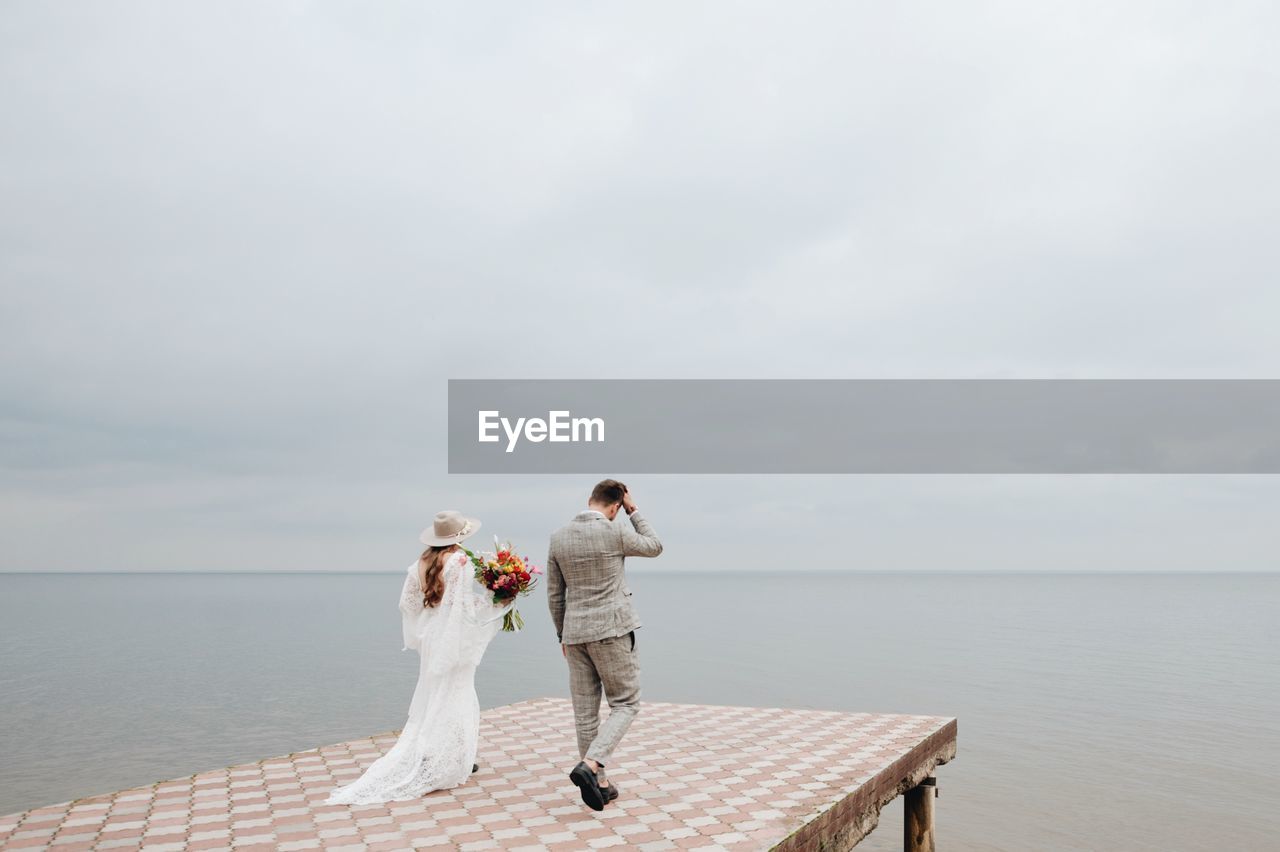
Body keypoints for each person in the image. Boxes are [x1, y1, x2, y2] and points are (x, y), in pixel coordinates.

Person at [326, 510, 512, 805]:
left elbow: (408, 604)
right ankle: (445, 760)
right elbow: (460, 608)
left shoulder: (420, 564)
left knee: (434, 693)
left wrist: (426, 622)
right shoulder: (460, 562)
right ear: (459, 537)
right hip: (454, 638)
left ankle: (444, 754)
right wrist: (495, 602)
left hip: (431, 638)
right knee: (456, 694)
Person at [546, 479, 663, 811]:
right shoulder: (615, 530)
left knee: (585, 712)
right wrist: (634, 511)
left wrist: (561, 635)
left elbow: (555, 594)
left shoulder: (558, 537)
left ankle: (599, 785)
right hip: (611, 630)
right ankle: (592, 764)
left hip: (574, 633)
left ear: (589, 500)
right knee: (626, 703)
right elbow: (654, 545)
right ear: (616, 507)